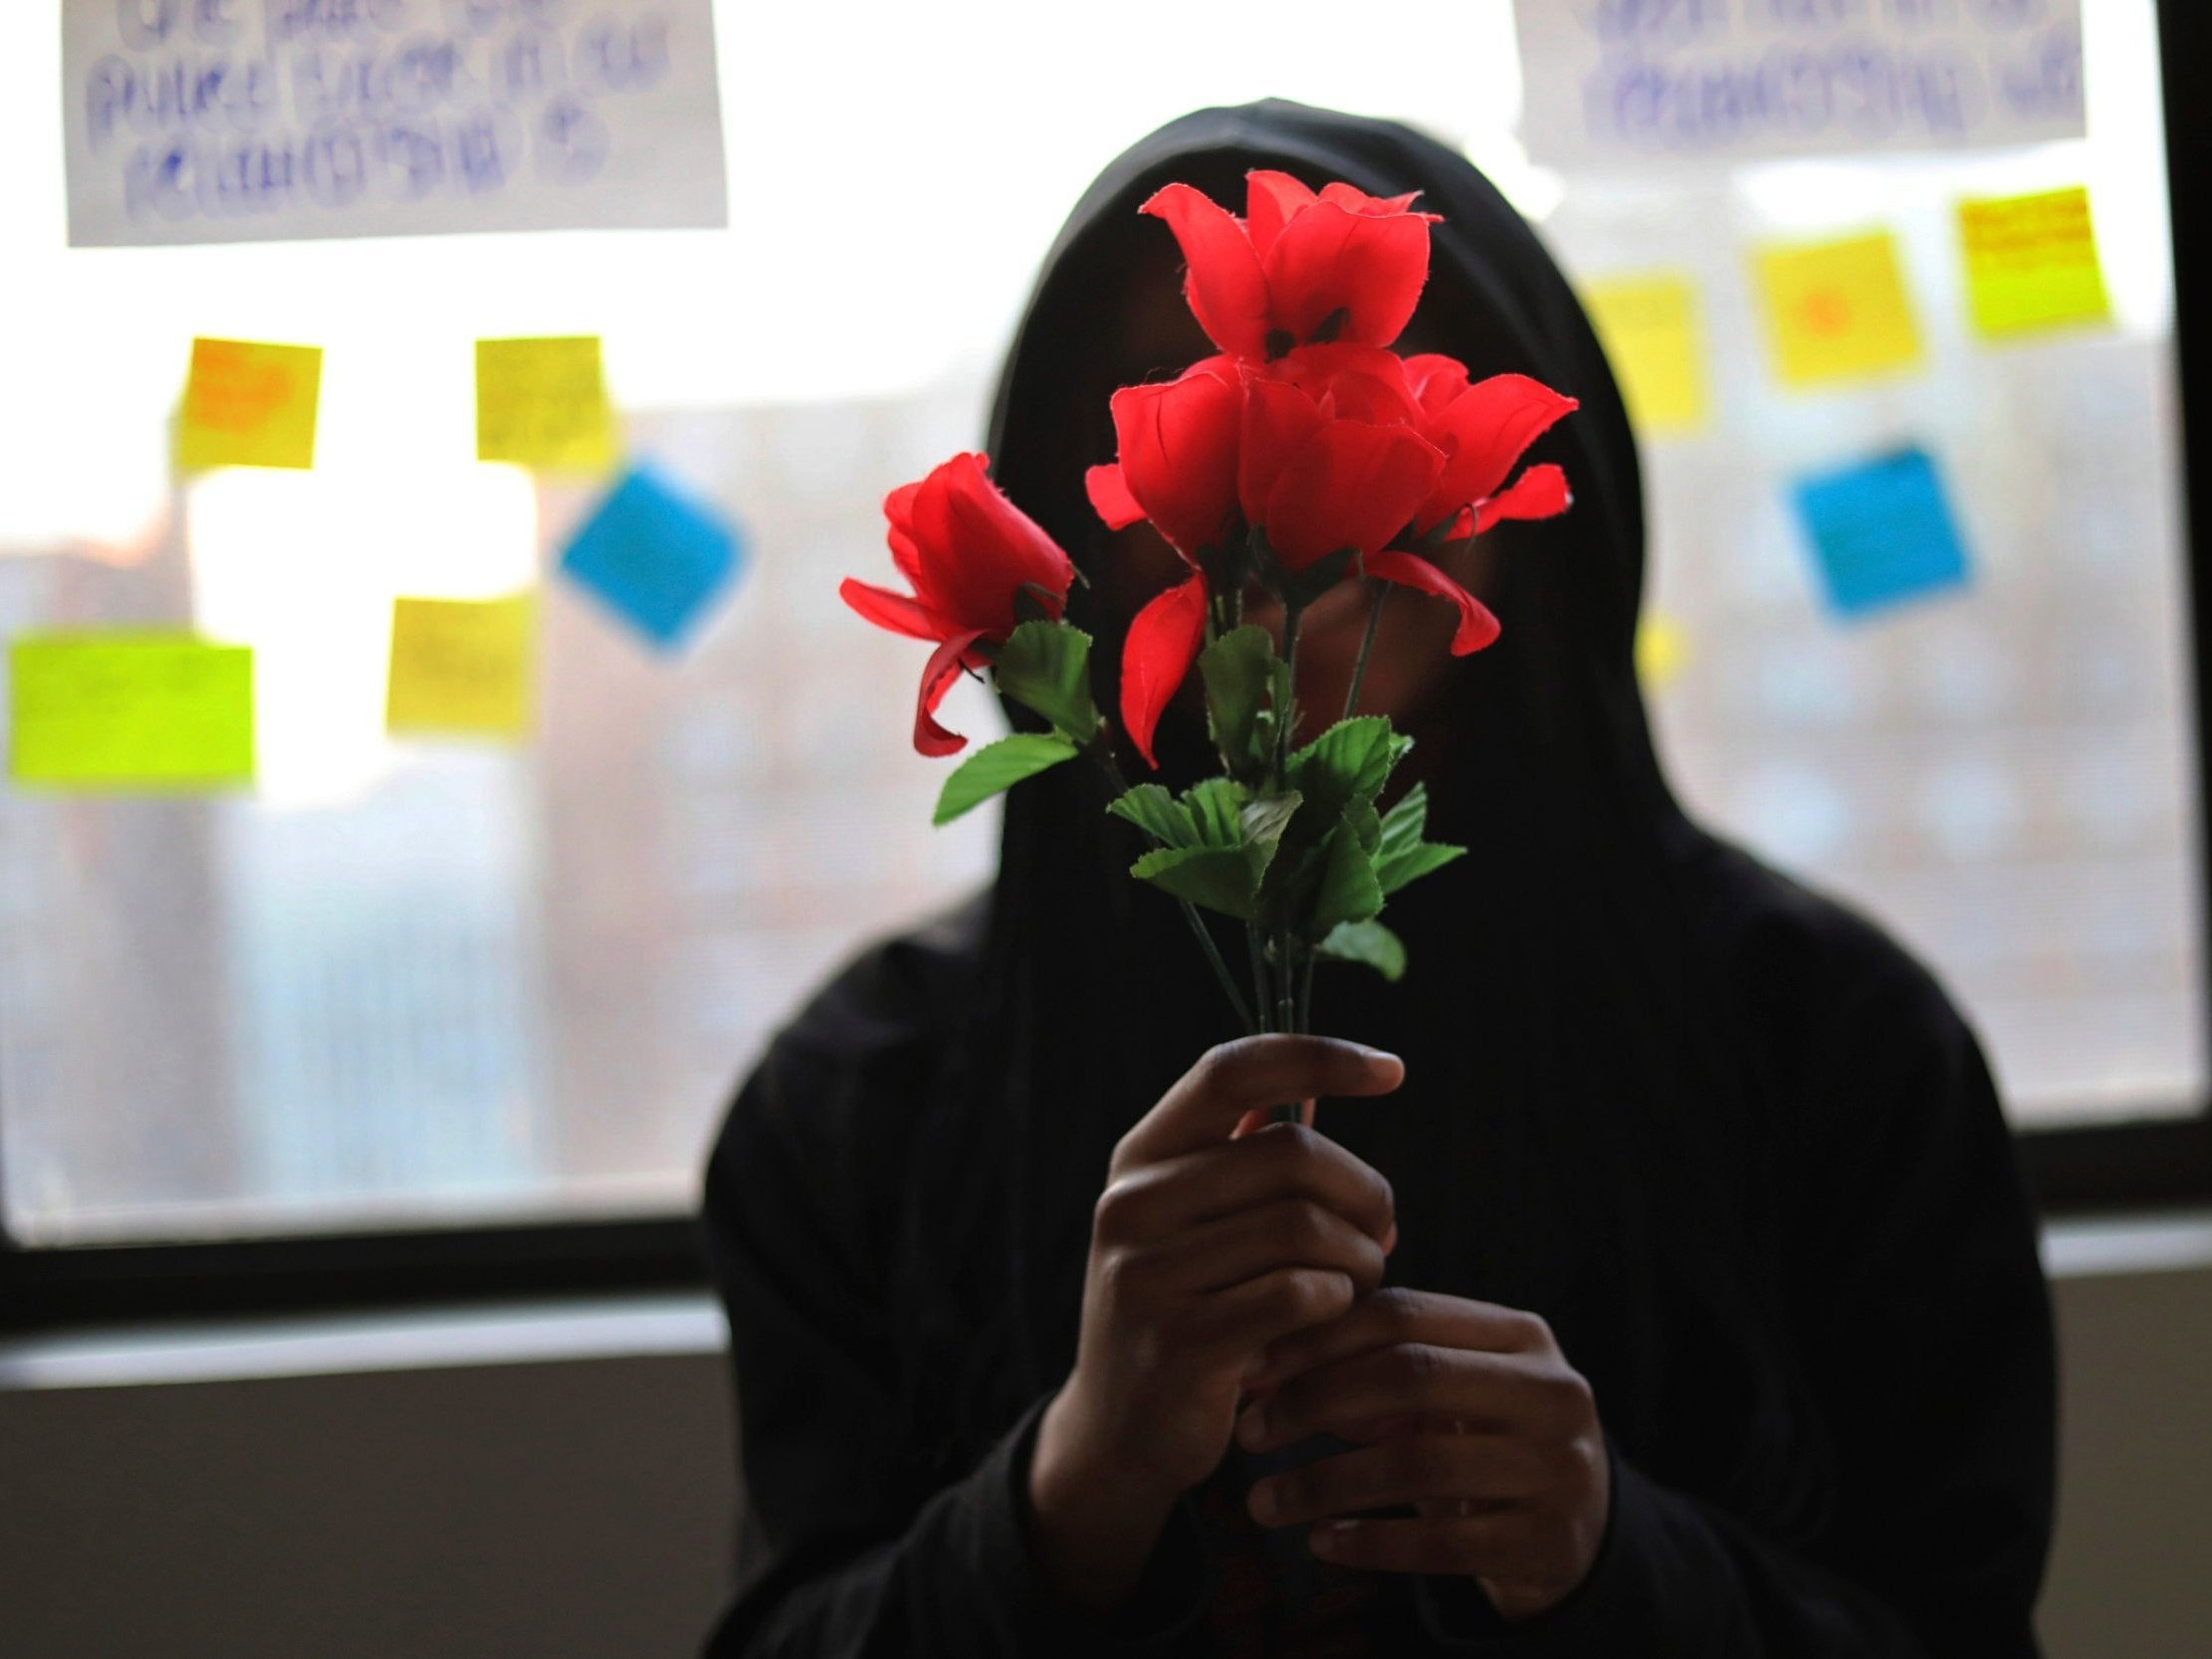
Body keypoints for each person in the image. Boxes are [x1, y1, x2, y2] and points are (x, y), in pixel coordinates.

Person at [698, 99, 2058, 1656]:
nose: (1287, 493)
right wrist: (1076, 1482)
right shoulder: (863, 1101)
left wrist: (1607, 1556)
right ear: (1070, 508)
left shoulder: (1834, 1047)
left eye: (1362, 401)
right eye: (1208, 428)